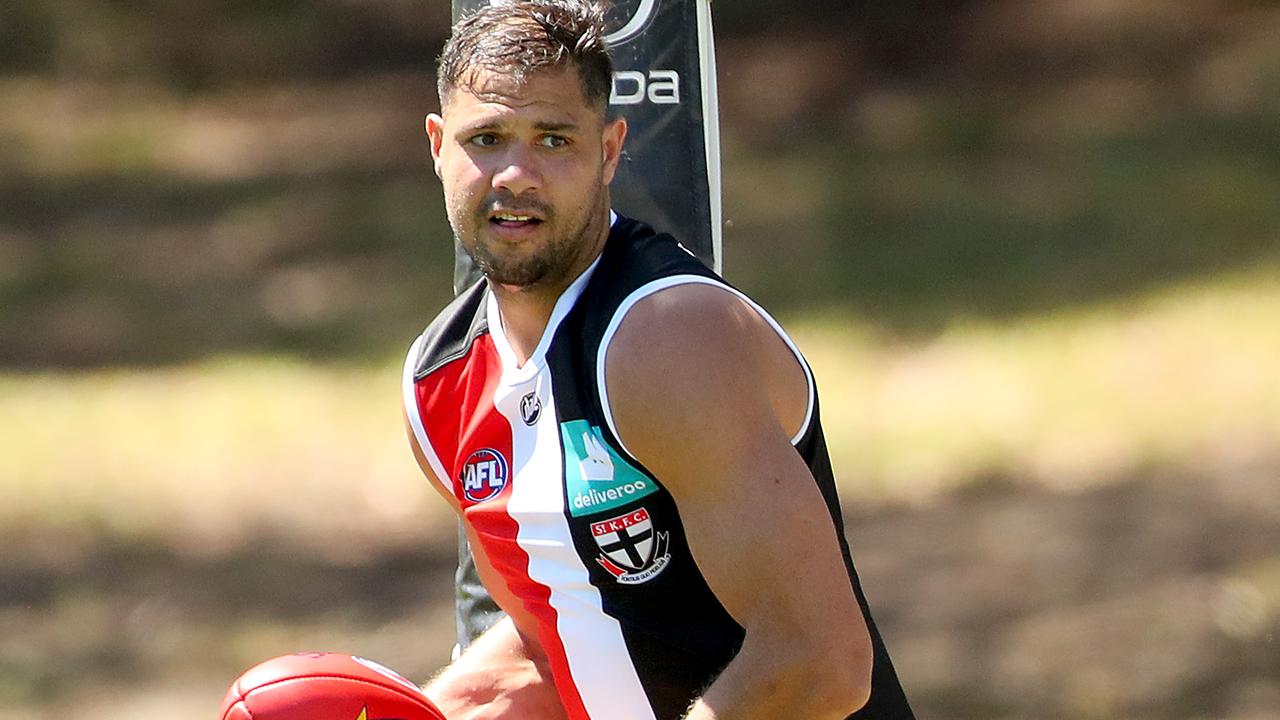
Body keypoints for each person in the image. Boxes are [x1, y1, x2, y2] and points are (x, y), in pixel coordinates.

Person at [401, 1, 915, 718]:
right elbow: (554, 648)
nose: (516, 174)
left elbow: (821, 664)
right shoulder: (440, 383)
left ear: (610, 149)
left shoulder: (666, 336)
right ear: (437, 146)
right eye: (486, 138)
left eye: (553, 140)